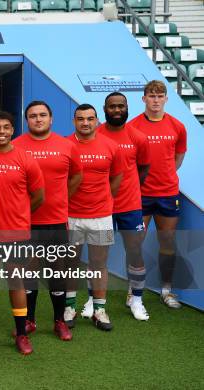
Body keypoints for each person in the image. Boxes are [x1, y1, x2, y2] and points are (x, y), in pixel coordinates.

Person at [11, 101, 82, 342]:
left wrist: (60, 199)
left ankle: (59, 321)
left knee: (57, 271)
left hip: (56, 220)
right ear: (26, 120)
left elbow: (76, 176)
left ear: (51, 119)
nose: (38, 119)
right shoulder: (15, 146)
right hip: (25, 221)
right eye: (32, 116)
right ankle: (29, 320)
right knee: (28, 270)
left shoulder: (67, 145)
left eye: (42, 115)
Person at [0, 111, 45, 355]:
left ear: (12, 130)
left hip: (17, 234)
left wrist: (21, 216)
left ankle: (21, 334)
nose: (2, 132)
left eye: (6, 127)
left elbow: (38, 196)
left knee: (17, 283)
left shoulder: (25, 159)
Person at [129, 80, 187, 309]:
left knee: (168, 242)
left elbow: (178, 158)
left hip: (167, 193)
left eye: (159, 96)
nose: (155, 100)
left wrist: (165, 174)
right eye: (151, 96)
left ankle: (166, 290)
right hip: (140, 194)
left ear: (165, 99)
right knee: (135, 244)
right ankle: (134, 291)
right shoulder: (133, 127)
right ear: (143, 99)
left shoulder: (177, 126)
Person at [65, 104, 123, 331]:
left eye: (90, 118)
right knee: (70, 263)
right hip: (71, 215)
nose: (85, 123)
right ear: (74, 122)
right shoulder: (64, 145)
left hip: (101, 216)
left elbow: (117, 178)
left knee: (99, 263)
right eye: (80, 119)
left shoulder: (111, 146)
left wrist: (105, 200)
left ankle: (99, 310)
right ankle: (69, 307)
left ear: (97, 120)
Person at [98, 92, 151, 320]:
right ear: (105, 108)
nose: (117, 110)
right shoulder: (95, 135)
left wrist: (128, 189)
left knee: (135, 251)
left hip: (130, 206)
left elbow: (144, 169)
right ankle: (96, 301)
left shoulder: (138, 137)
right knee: (99, 255)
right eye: (112, 106)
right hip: (101, 207)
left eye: (121, 106)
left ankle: (136, 299)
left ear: (127, 107)